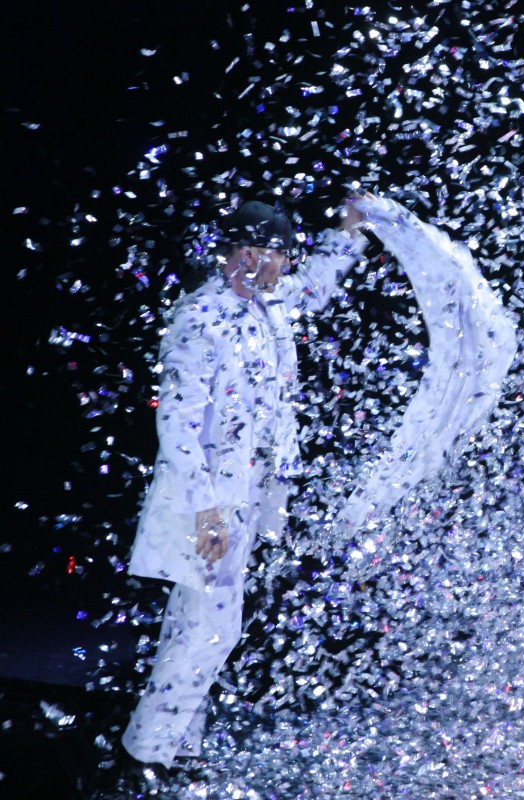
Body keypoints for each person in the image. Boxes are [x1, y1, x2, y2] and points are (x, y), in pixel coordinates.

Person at [120, 197, 369, 770]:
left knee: (195, 623)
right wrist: (205, 510)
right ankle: (148, 751)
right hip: (208, 500)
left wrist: (350, 234)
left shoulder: (271, 304)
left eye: (279, 257)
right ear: (236, 253)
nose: (273, 267)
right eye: (261, 254)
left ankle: (176, 744)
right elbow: (177, 419)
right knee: (210, 627)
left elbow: (314, 287)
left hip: (248, 495)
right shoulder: (202, 317)